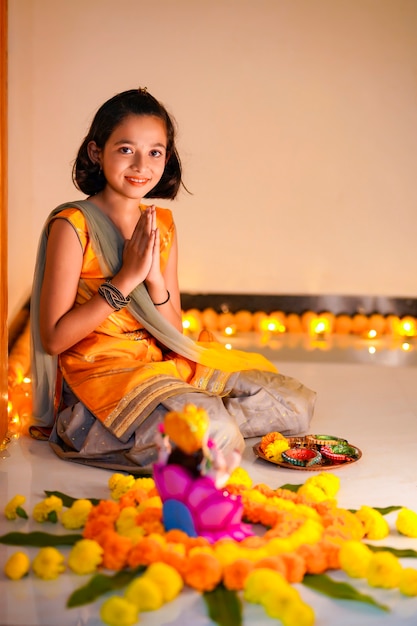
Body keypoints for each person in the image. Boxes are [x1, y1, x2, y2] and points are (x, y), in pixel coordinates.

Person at [30, 88, 316, 472]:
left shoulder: (160, 224)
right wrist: (125, 280)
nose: (141, 165)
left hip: (160, 364)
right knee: (213, 437)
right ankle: (123, 427)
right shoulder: (73, 226)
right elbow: (54, 338)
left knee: (293, 405)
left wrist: (153, 281)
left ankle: (188, 419)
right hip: (102, 376)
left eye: (155, 152)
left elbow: (172, 328)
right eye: (126, 149)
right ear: (97, 152)